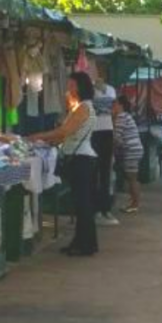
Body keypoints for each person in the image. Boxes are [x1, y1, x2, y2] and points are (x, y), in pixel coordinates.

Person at [28, 72, 98, 257]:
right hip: (81, 158)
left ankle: (85, 245)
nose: (69, 88)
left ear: (80, 87)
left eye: (72, 85)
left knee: (83, 204)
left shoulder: (83, 107)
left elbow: (65, 130)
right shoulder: (82, 107)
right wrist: (49, 141)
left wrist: (39, 136)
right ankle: (82, 242)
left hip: (81, 160)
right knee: (82, 204)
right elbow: (67, 135)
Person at [91, 65, 119, 226]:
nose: (99, 74)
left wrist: (114, 132)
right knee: (94, 172)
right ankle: (95, 210)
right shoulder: (90, 90)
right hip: (93, 132)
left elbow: (113, 111)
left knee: (106, 171)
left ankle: (105, 209)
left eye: (101, 71)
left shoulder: (111, 90)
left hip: (107, 131)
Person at [113, 95, 144, 213]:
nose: (113, 107)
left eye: (115, 104)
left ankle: (134, 204)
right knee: (133, 178)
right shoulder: (126, 116)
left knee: (132, 178)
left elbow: (117, 137)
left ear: (120, 105)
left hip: (131, 150)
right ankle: (134, 201)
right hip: (134, 149)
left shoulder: (121, 117)